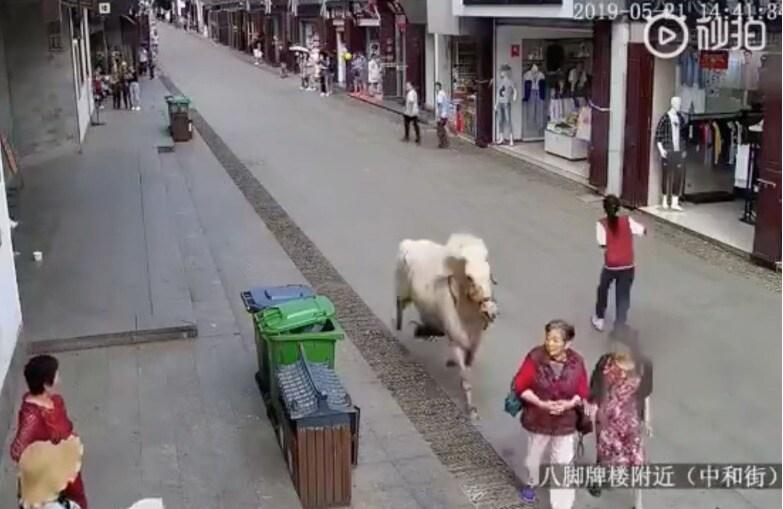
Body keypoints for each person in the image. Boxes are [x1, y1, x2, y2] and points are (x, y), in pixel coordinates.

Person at [512, 319, 589, 509]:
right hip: (538, 419)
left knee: (562, 464)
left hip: (565, 422)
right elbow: (520, 385)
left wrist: (569, 403)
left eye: (556, 340)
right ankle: (532, 482)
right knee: (534, 457)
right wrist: (541, 403)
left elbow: (583, 391)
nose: (550, 343)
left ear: (568, 343)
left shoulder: (577, 362)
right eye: (548, 339)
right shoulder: (535, 357)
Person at [11, 355, 88, 509]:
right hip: (51, 478)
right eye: (56, 375)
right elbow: (17, 451)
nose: (60, 378)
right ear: (46, 384)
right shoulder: (32, 416)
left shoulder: (56, 401)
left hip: (67, 468)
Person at [588, 330, 653, 508]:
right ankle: (599, 478)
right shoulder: (605, 363)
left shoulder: (643, 366)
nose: (616, 350)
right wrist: (592, 407)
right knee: (606, 455)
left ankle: (638, 503)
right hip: (607, 420)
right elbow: (595, 389)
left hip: (631, 421)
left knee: (636, 461)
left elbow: (645, 394)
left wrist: (647, 419)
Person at [591, 195, 647, 333]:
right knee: (623, 295)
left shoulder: (601, 224)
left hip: (611, 265)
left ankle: (599, 318)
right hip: (627, 264)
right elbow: (643, 231)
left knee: (603, 289)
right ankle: (620, 324)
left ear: (605, 209)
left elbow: (602, 243)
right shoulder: (627, 221)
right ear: (619, 207)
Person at [435, 82, 450, 148]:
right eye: (435, 87)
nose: (436, 88)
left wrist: (439, 115)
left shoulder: (440, 94)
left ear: (439, 87)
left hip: (442, 115)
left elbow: (440, 105)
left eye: (437, 87)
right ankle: (445, 143)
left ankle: (443, 143)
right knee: (442, 129)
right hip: (445, 114)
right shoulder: (443, 93)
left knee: (440, 130)